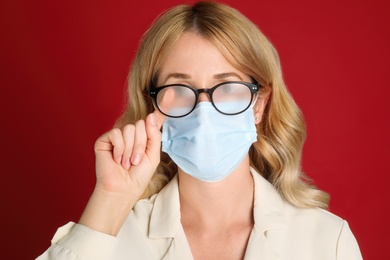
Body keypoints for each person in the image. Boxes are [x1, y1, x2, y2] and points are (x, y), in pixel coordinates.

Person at [37, 2, 362, 259]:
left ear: (259, 105)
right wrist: (111, 199)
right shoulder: (110, 234)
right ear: (153, 106)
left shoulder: (326, 241)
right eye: (180, 88)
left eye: (227, 87)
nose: (204, 112)